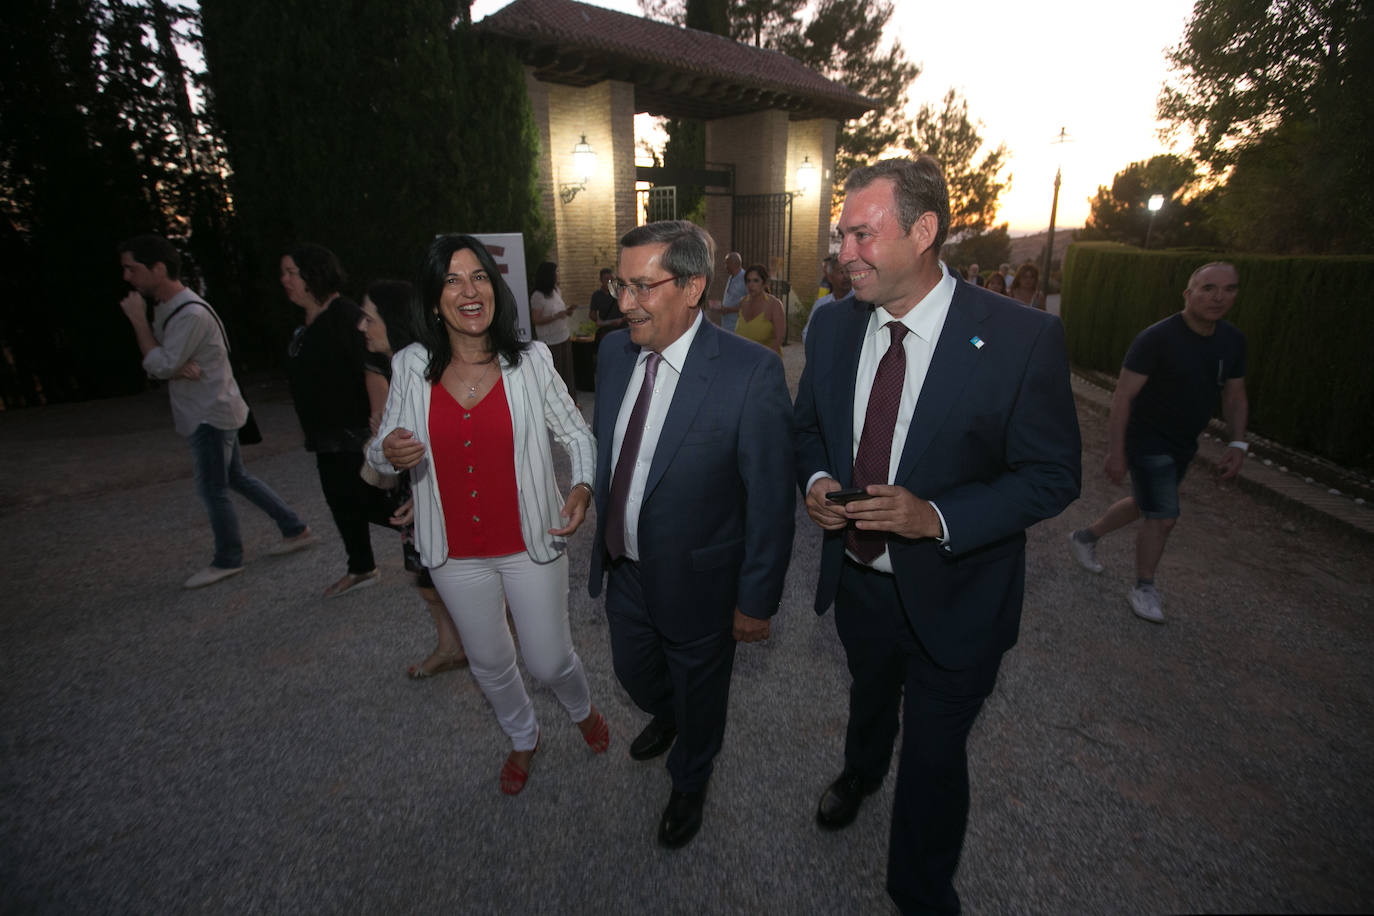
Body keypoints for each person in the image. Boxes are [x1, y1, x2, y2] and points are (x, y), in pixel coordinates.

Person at [794, 156, 1081, 914]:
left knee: (932, 754)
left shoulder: (1020, 339)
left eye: (862, 234)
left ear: (924, 232)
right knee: (868, 697)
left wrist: (938, 518)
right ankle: (859, 773)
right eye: (840, 235)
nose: (844, 253)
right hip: (859, 581)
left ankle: (920, 893)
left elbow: (1052, 475)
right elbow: (809, 432)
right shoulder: (829, 327)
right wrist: (818, 482)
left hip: (961, 595)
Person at [370, 234, 607, 795]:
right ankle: (523, 737)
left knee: (549, 661)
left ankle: (582, 709)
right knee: (491, 661)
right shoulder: (409, 366)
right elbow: (380, 446)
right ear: (433, 300)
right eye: (451, 281)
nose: (468, 290)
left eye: (478, 276)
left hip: (530, 539)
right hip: (453, 552)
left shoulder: (530, 362)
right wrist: (390, 453)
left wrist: (582, 485)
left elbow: (576, 430)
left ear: (496, 289)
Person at [588, 220, 794, 849]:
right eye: (621, 285)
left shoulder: (750, 373)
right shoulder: (613, 353)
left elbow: (770, 500)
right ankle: (670, 712)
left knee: (703, 691)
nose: (625, 304)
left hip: (703, 580)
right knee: (632, 673)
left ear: (694, 287)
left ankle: (690, 778)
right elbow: (611, 451)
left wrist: (756, 600)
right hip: (625, 567)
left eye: (642, 287)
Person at [117, 234, 314, 588]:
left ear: (158, 268)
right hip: (207, 408)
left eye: (132, 268)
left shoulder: (188, 313)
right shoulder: (169, 308)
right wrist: (173, 364)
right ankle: (294, 527)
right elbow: (167, 361)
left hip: (210, 413)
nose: (127, 277)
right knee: (235, 477)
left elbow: (159, 364)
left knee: (212, 486)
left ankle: (228, 558)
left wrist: (139, 325)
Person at [1068, 262, 1248, 624]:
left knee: (1145, 504)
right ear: (1188, 294)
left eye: (1228, 289)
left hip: (1184, 443)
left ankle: (1085, 537)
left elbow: (1234, 394)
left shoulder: (1232, 341)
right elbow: (1123, 396)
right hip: (1147, 439)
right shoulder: (1157, 338)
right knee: (1164, 517)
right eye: (1208, 288)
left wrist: (1238, 443)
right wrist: (1116, 450)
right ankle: (1144, 587)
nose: (1218, 296)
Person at [358, 280, 468, 678]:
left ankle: (478, 651)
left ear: (395, 320)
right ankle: (451, 645)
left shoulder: (429, 371)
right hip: (417, 487)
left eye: (369, 317)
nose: (362, 326)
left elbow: (457, 442)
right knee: (424, 577)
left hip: (436, 490)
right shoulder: (396, 366)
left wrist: (426, 496)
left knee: (446, 576)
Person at [282, 243, 395, 598]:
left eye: (291, 273)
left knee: (373, 503)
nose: (284, 280)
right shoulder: (306, 324)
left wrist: (379, 427)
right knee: (340, 502)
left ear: (314, 274)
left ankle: (444, 548)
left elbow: (373, 367)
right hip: (325, 435)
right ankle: (360, 567)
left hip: (353, 433)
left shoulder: (345, 314)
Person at [529, 261, 577, 402]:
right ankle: (557, 404)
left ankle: (571, 401)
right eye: (556, 272)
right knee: (556, 374)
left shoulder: (556, 290)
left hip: (563, 335)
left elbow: (557, 310)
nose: (558, 275)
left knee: (567, 372)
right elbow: (536, 319)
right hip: (550, 341)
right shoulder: (538, 296)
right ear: (548, 275)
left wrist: (567, 311)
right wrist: (555, 316)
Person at [734, 263, 786, 355]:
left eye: (756, 280)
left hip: (766, 362)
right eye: (748, 281)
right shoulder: (743, 302)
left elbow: (778, 340)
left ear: (765, 283)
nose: (751, 285)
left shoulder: (774, 305)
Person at [802, 256, 855, 345]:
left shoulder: (861, 303)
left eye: (848, 272)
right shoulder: (821, 304)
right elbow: (807, 333)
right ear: (830, 277)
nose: (846, 276)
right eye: (841, 272)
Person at [588, 266, 624, 343]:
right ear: (600, 280)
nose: (609, 282)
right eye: (606, 279)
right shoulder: (596, 295)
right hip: (606, 332)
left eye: (611, 279)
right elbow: (592, 314)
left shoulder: (620, 292)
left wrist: (622, 320)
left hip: (622, 330)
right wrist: (598, 320)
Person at [718, 251, 746, 332]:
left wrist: (729, 310)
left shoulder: (745, 279)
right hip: (726, 324)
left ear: (735, 264)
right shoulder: (731, 277)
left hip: (737, 326)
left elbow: (750, 304)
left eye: (727, 264)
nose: (725, 267)